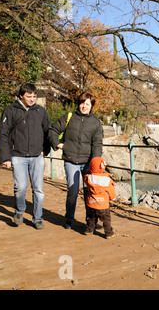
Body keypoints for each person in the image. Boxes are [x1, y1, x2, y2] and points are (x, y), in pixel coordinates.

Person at [0, 83, 51, 229]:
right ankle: (19, 212)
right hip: (17, 156)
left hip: (37, 156)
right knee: (20, 187)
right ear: (21, 95)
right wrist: (5, 157)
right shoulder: (10, 110)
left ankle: (37, 218)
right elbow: (3, 134)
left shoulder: (40, 111)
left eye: (34, 96)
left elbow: (49, 131)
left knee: (38, 189)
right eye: (29, 96)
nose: (32, 99)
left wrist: (45, 150)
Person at [49, 92, 103, 229]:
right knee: (72, 191)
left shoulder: (96, 123)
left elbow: (97, 144)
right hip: (70, 160)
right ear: (78, 103)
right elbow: (52, 130)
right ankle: (69, 219)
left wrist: (95, 163)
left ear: (91, 106)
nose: (84, 106)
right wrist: (58, 144)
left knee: (89, 192)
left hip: (88, 163)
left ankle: (91, 221)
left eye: (87, 104)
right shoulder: (69, 117)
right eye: (82, 103)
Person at [83, 157, 115, 238]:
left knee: (92, 218)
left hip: (92, 203)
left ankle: (89, 230)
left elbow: (86, 180)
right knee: (106, 219)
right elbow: (111, 192)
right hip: (103, 204)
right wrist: (112, 198)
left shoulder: (88, 178)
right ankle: (109, 233)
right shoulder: (107, 180)